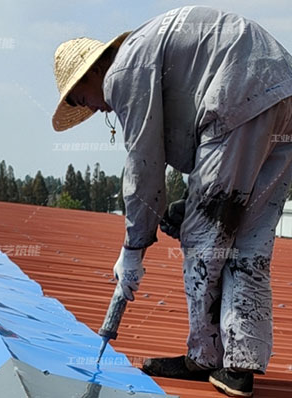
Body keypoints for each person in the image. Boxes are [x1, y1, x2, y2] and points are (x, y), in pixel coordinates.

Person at [51, 6, 292, 398]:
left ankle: (205, 356)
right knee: (249, 239)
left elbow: (144, 165)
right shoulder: (148, 55)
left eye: (82, 99)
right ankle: (240, 366)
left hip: (238, 96)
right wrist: (186, 201)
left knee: (203, 236)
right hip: (282, 93)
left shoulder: (122, 73)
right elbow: (186, 144)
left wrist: (132, 249)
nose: (94, 109)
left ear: (94, 71)